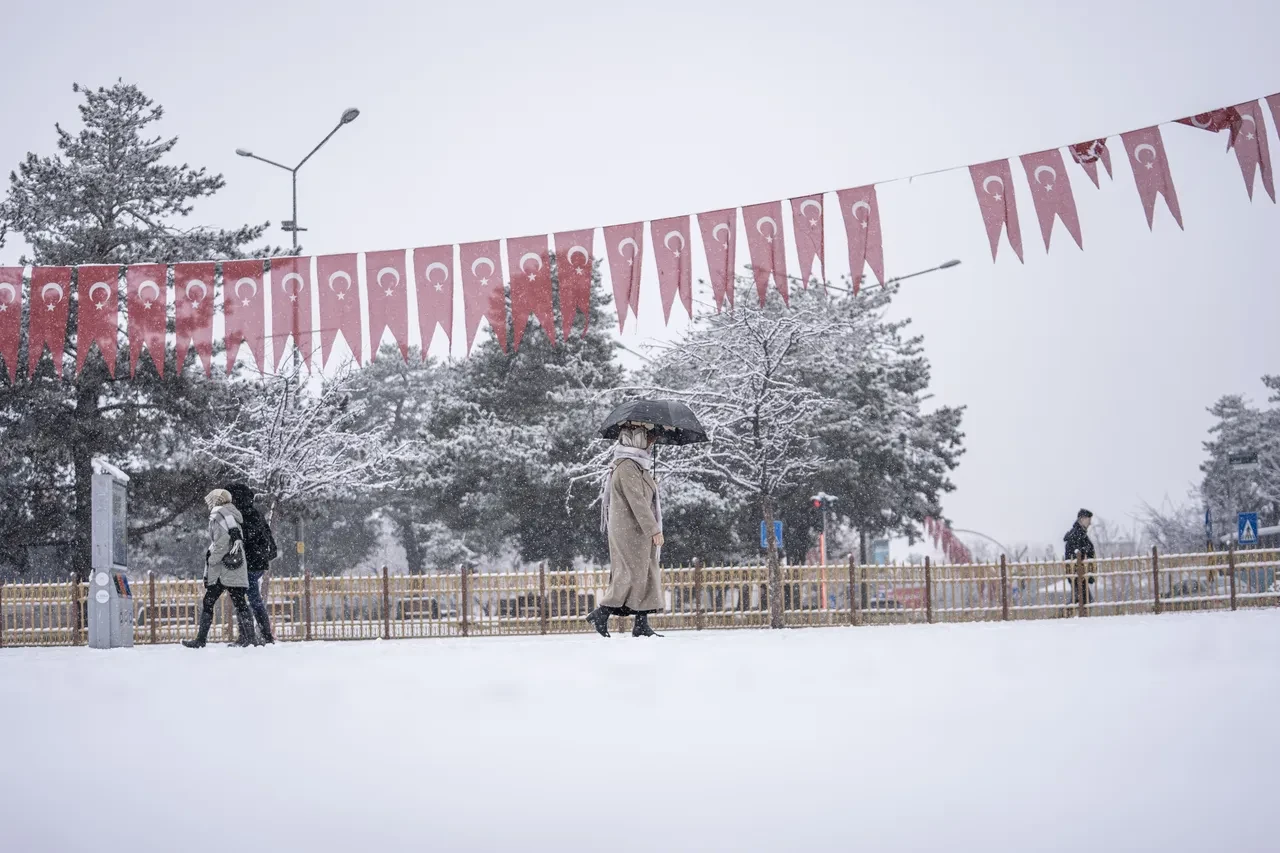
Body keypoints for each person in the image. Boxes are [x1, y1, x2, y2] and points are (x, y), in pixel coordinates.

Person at [586, 423, 666, 638]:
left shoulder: (638, 466)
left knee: (644, 574)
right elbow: (637, 502)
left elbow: (642, 496)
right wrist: (654, 529)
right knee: (629, 575)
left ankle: (641, 623)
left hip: (636, 531)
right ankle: (602, 612)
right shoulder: (627, 466)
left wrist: (652, 485)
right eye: (649, 440)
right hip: (630, 530)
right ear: (637, 440)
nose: (652, 444)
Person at [183, 489, 258, 648]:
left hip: (223, 567)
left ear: (216, 500)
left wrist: (212, 560)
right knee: (240, 602)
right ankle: (250, 638)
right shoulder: (233, 514)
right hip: (236, 566)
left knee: (209, 601)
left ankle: (201, 640)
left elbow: (222, 542)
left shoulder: (219, 515)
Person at [225, 483, 278, 644]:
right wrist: (266, 556)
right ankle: (264, 635)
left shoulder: (238, 517)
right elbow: (268, 537)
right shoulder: (256, 514)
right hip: (257, 564)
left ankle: (247, 637)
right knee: (254, 600)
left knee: (244, 600)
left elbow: (239, 541)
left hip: (246, 565)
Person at [1063, 508, 1096, 605]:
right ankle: (1063, 616)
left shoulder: (1080, 534)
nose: (1090, 523)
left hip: (1079, 573)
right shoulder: (1077, 534)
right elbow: (1077, 555)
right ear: (1081, 519)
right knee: (1083, 601)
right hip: (1078, 573)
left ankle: (1064, 615)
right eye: (1088, 520)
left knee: (1081, 601)